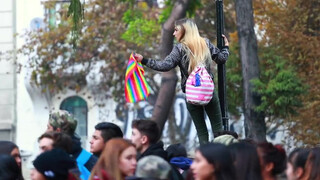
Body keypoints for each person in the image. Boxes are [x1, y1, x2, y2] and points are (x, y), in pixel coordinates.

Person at [134, 18, 230, 144]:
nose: (174, 33)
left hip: (192, 95)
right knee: (218, 129)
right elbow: (222, 58)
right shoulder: (205, 43)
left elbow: (164, 66)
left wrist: (144, 60)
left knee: (201, 132)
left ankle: (206, 159)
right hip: (209, 93)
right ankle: (222, 158)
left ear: (185, 31)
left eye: (176, 30)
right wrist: (226, 47)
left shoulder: (179, 49)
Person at [46, 110, 97, 180]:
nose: (46, 131)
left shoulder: (84, 161)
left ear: (57, 131)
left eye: (48, 127)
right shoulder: (89, 158)